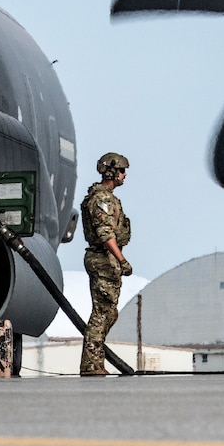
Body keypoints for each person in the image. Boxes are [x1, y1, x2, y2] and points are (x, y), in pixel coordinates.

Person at [79, 152, 133, 377]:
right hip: (103, 259)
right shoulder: (102, 199)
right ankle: (91, 364)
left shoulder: (104, 196)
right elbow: (105, 233)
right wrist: (121, 260)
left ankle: (95, 361)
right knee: (102, 312)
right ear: (112, 172)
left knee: (108, 312)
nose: (124, 175)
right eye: (121, 171)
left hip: (104, 259)